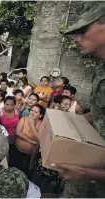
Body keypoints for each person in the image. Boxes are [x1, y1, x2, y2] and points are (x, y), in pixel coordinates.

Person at [52, 3, 105, 198]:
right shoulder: (100, 68)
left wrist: (87, 173)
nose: (75, 39)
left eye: (83, 30)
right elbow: (99, 114)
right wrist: (71, 124)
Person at [9, 104, 45, 176]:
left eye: (35, 112)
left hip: (29, 156)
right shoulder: (24, 118)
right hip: (16, 150)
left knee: (23, 174)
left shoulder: (42, 124)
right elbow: (18, 132)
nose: (32, 113)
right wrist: (31, 141)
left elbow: (38, 140)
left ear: (40, 116)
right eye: (31, 110)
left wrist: (32, 124)